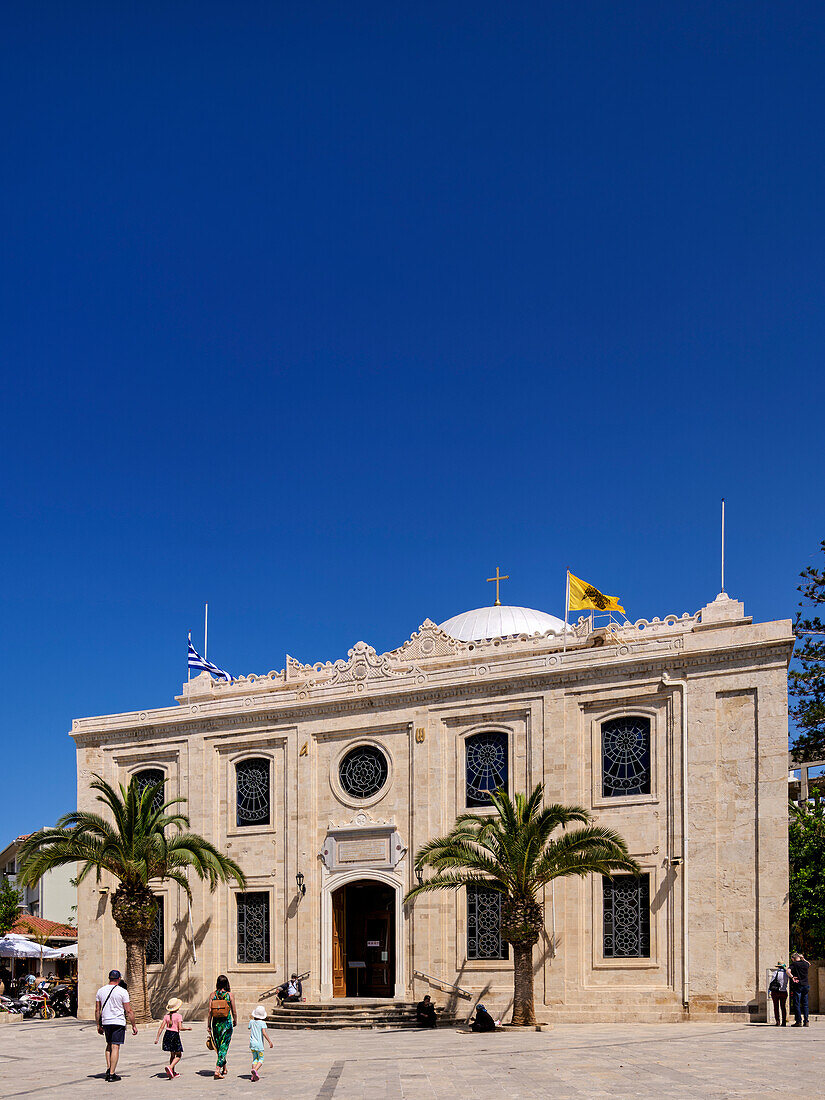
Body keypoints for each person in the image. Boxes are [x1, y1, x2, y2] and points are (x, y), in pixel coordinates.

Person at [94, 968, 137, 1082]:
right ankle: (112, 1074)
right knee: (115, 1046)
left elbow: (97, 1010)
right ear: (118, 979)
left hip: (106, 1021)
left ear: (109, 978)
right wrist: (133, 1025)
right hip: (118, 1021)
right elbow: (129, 1010)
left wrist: (98, 1024)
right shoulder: (122, 992)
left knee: (108, 1045)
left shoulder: (100, 991)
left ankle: (109, 1069)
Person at [154, 996, 191, 1078]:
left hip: (167, 1034)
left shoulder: (166, 1016)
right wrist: (187, 1028)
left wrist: (157, 1038)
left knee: (172, 1055)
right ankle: (170, 1067)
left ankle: (172, 1072)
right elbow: (180, 1028)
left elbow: (161, 1027)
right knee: (178, 1055)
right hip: (175, 1036)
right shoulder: (178, 1016)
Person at [208, 975, 237, 1079]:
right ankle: (217, 1070)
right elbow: (233, 1010)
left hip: (216, 1024)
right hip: (226, 1024)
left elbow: (210, 1011)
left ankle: (224, 1068)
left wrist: (208, 1025)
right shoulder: (230, 995)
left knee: (220, 1047)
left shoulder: (213, 995)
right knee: (224, 1046)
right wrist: (235, 1020)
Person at [248, 1004, 273, 1082]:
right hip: (259, 1045)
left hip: (252, 1044)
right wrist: (269, 1041)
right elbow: (264, 1033)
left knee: (255, 1059)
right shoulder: (262, 1023)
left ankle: (253, 1075)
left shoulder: (251, 1022)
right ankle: (255, 1070)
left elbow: (249, 1028)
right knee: (261, 1059)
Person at [789, 952, 810, 1027]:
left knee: (797, 1003)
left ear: (793, 958)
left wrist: (792, 977)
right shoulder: (805, 963)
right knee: (805, 1004)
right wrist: (803, 958)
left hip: (798, 985)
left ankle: (798, 1021)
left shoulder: (794, 964)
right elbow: (809, 964)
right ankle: (806, 1021)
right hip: (806, 985)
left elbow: (788, 971)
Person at [768, 961, 790, 1026]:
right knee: (783, 1007)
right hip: (784, 991)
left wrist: (769, 991)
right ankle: (784, 1021)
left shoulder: (775, 972)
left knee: (776, 1007)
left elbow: (772, 982)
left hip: (776, 992)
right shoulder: (787, 973)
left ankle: (777, 1021)